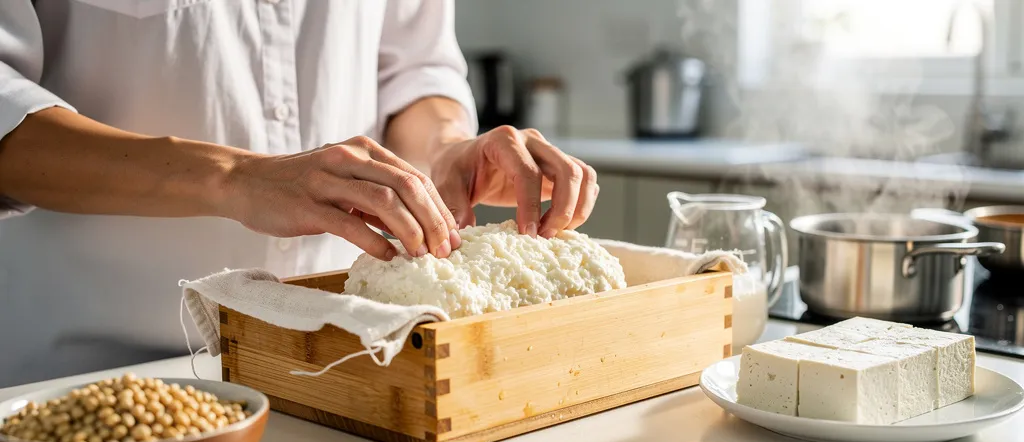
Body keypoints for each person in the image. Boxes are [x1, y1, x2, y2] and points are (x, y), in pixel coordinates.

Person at [0, 1, 597, 386]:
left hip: (352, 364)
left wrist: (444, 148)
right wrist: (233, 176)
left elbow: (414, 69)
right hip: (94, 366)